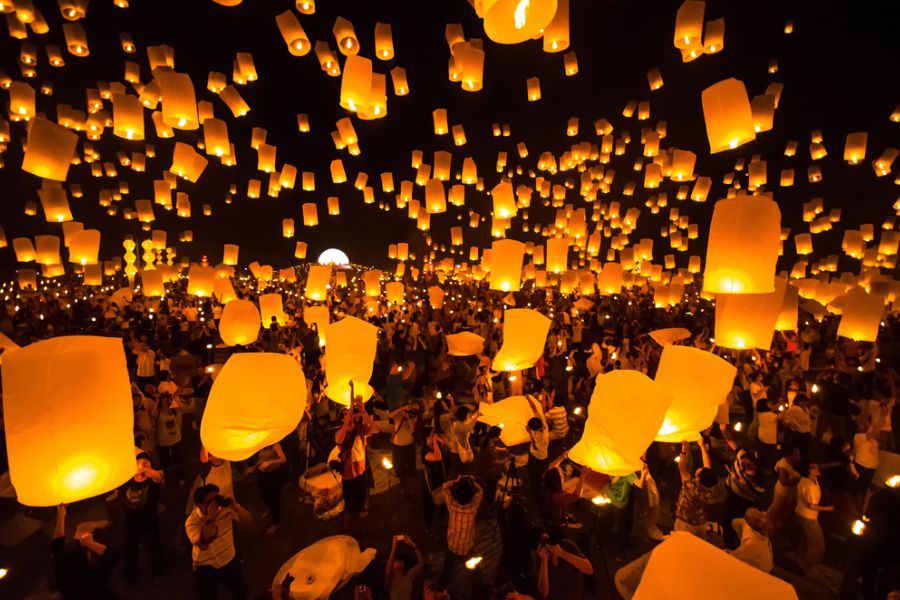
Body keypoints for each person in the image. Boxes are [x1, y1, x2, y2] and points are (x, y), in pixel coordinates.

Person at [185, 483, 251, 600]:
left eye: (216, 498)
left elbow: (247, 520)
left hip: (229, 559)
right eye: (210, 501)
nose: (215, 504)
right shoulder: (192, 522)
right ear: (199, 505)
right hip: (205, 566)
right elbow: (203, 545)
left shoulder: (225, 511)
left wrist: (235, 506)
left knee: (241, 593)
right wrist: (210, 518)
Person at [51, 504, 118, 600]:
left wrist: (61, 513)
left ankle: (106, 524)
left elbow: (57, 543)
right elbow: (114, 556)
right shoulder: (95, 577)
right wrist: (91, 543)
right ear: (88, 563)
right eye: (86, 551)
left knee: (82, 528)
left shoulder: (61, 569)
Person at [335, 389, 374, 535]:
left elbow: (374, 429)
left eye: (352, 413)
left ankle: (356, 531)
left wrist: (363, 411)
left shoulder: (360, 429)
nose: (352, 414)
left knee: (358, 504)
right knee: (349, 508)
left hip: (361, 473)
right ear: (342, 419)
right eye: (347, 413)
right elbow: (338, 440)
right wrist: (346, 424)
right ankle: (346, 533)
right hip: (349, 476)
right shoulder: (341, 432)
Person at [121, 452, 165, 583]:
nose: (141, 465)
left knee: (154, 549)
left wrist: (144, 468)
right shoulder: (127, 480)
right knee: (129, 551)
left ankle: (158, 574)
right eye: (138, 463)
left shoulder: (153, 482)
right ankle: (129, 576)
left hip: (148, 524)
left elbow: (158, 476)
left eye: (146, 462)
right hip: (129, 524)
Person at [440, 475, 483, 585]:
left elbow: (444, 487)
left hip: (452, 546)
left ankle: (441, 585)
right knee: (476, 571)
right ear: (471, 496)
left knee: (447, 567)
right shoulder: (474, 507)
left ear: (455, 495)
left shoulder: (452, 506)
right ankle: (478, 590)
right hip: (467, 547)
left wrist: (455, 481)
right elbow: (480, 492)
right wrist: (473, 481)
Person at [673, 440, 717, 539]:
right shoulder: (709, 487)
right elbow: (708, 468)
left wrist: (684, 448)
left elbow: (682, 468)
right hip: (701, 522)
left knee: (681, 543)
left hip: (685, 524)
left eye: (698, 472)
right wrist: (702, 446)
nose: (698, 469)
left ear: (698, 479)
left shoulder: (691, 486)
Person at [535, 529, 594, 600]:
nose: (546, 545)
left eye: (546, 540)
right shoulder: (540, 558)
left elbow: (589, 569)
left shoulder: (566, 545)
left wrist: (561, 553)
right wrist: (544, 561)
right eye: (542, 544)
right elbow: (543, 593)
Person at [247, 442, 288, 534]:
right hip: (263, 475)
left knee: (274, 497)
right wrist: (254, 467)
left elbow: (283, 459)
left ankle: (276, 522)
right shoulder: (262, 445)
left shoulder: (276, 445)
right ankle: (270, 508)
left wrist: (270, 462)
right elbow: (261, 460)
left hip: (273, 475)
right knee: (262, 492)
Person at [767, 447, 801, 534]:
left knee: (786, 509)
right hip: (782, 491)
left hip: (790, 491)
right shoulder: (783, 464)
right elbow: (783, 481)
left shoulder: (795, 462)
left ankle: (778, 526)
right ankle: (766, 523)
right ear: (790, 454)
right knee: (777, 507)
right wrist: (799, 480)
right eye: (796, 454)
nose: (798, 456)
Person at [730, 508, 774, 573]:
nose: (764, 520)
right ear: (754, 527)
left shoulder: (760, 532)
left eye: (760, 514)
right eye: (758, 521)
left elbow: (734, 522)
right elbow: (733, 557)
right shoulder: (753, 544)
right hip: (761, 574)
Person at [389, 402, 419, 500]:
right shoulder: (397, 417)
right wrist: (402, 409)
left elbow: (412, 429)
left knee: (411, 469)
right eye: (405, 409)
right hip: (398, 447)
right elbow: (389, 415)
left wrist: (408, 417)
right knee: (400, 469)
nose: (407, 411)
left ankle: (412, 490)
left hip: (409, 446)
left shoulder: (412, 416)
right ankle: (403, 489)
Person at [384, 534, 424, 600]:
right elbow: (387, 571)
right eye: (396, 562)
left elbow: (421, 563)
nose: (399, 563)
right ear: (392, 568)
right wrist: (394, 548)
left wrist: (413, 545)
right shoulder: (390, 582)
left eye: (401, 562)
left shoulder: (408, 576)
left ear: (404, 567)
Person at [525, 395, 550, 497]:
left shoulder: (541, 437)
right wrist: (529, 399)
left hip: (539, 457)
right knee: (533, 471)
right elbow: (535, 409)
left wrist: (529, 433)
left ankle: (537, 492)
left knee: (536, 475)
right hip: (535, 454)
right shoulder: (542, 422)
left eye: (531, 429)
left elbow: (535, 446)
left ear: (534, 429)